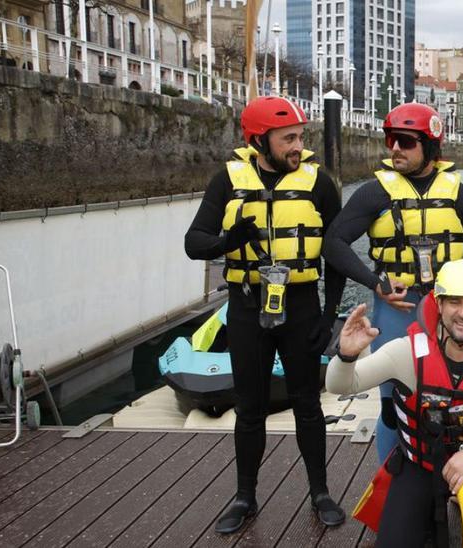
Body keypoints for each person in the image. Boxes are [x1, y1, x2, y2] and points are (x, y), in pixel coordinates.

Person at [183, 96, 346, 533]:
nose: (298, 145)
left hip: (301, 305)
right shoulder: (227, 181)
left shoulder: (318, 183)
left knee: (307, 405)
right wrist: (229, 239)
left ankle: (320, 492)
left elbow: (337, 251)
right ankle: (244, 496)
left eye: (301, 136)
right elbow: (194, 243)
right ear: (260, 140)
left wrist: (329, 315)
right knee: (249, 408)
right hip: (247, 305)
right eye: (288, 138)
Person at [326, 258, 463, 547]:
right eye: (454, 302)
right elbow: (340, 385)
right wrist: (346, 356)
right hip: (420, 466)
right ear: (438, 304)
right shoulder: (405, 352)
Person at [322, 102, 463, 464]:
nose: (395, 147)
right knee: (390, 406)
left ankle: (445, 481)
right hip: (397, 308)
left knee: (453, 402)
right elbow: (332, 243)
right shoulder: (374, 193)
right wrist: (376, 280)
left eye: (405, 141)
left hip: (447, 313)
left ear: (430, 146)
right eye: (390, 139)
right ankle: (390, 489)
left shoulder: (461, 195)